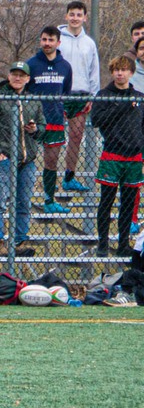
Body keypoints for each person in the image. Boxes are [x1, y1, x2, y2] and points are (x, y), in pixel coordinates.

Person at [0, 61, 40, 257]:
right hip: (4, 159)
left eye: (22, 75)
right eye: (14, 74)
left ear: (28, 79)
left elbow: (43, 126)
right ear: (9, 76)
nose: (18, 78)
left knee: (23, 202)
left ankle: (20, 241)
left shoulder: (34, 100)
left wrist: (35, 129)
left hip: (26, 161)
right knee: (0, 202)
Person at [90, 55, 143, 257]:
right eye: (116, 70)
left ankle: (123, 244)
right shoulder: (104, 95)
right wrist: (122, 106)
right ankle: (103, 243)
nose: (120, 73)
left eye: (124, 70)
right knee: (107, 201)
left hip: (134, 158)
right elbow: (96, 120)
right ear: (112, 72)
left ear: (131, 72)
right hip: (112, 154)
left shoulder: (139, 97)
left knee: (128, 204)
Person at [25, 26, 74, 213]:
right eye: (44, 39)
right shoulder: (31, 64)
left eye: (51, 40)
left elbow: (66, 92)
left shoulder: (65, 66)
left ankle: (49, 200)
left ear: (58, 42)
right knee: (25, 158)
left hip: (54, 120)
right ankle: (20, 198)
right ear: (40, 41)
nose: (47, 43)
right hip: (33, 121)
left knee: (51, 161)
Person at [56, 0, 101, 193]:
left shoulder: (89, 43)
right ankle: (49, 177)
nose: (75, 18)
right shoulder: (57, 39)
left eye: (79, 15)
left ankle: (69, 175)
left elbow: (94, 72)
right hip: (59, 95)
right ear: (66, 16)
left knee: (76, 136)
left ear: (85, 17)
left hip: (81, 95)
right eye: (72, 14)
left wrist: (93, 96)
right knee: (54, 137)